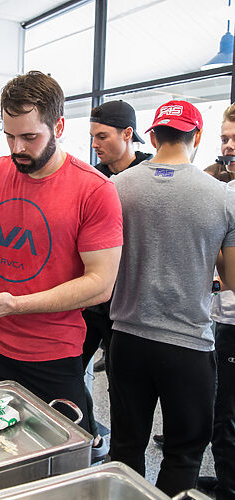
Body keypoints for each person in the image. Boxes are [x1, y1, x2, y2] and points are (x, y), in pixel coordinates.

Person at [0, 71, 123, 431]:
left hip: (52, 355)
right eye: (9, 136)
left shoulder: (95, 190)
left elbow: (100, 284)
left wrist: (17, 304)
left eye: (30, 137)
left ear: (59, 126)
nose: (17, 148)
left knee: (56, 456)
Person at [108, 100, 235, 496]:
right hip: (187, 346)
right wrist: (205, 245)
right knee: (183, 454)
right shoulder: (223, 197)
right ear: (197, 136)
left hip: (126, 338)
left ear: (152, 137)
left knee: (125, 447)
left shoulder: (117, 187)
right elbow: (232, 280)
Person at [84, 101, 152, 460]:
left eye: (102, 136)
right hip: (91, 298)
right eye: (92, 136)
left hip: (127, 304)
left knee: (123, 387)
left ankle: (124, 457)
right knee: (67, 369)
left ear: (128, 134)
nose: (95, 144)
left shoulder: (151, 175)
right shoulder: (92, 178)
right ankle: (88, 435)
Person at [197, 102, 235, 500]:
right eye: (225, 138)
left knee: (226, 414)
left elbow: (231, 276)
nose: (228, 147)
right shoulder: (228, 191)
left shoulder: (229, 197)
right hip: (225, 318)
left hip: (234, 323)